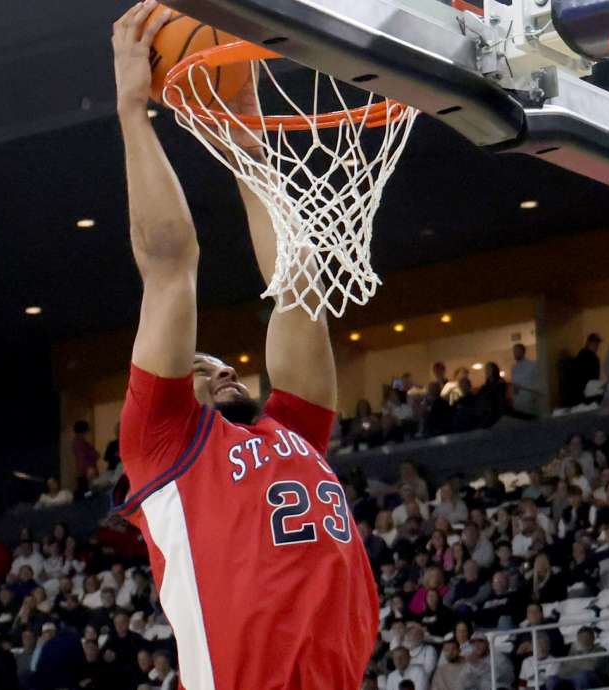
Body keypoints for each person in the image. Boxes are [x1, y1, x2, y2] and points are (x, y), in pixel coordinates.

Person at [110, 6, 377, 689]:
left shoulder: (294, 431)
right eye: (204, 367)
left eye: (228, 365)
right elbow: (170, 266)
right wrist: (133, 114)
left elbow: (297, 290)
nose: (225, 367)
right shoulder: (163, 442)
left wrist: (247, 150)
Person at [565, 334, 603, 406]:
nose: (597, 346)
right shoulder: (593, 359)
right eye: (596, 343)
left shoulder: (579, 356)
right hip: (588, 396)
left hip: (575, 396)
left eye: (597, 344)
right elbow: (594, 381)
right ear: (590, 343)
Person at [510, 344, 540, 418]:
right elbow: (514, 384)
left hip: (529, 399)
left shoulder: (532, 365)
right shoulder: (514, 368)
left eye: (517, 351)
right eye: (514, 351)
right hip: (518, 401)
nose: (515, 353)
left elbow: (537, 382)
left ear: (522, 352)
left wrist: (534, 397)